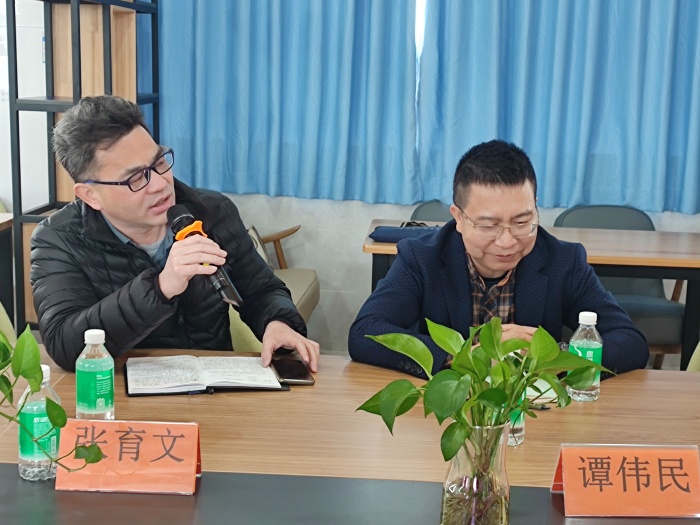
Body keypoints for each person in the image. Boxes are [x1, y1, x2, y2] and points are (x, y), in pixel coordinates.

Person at [30, 95, 319, 372]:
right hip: (118, 392)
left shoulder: (212, 211)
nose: (159, 184)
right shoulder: (57, 239)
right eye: (135, 178)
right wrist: (160, 287)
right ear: (90, 195)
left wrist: (277, 323)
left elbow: (261, 290)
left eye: (158, 163)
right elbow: (64, 344)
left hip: (215, 388)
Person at [349, 140, 648, 377]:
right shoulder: (422, 257)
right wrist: (466, 356)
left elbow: (630, 341)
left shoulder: (563, 260)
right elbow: (365, 333)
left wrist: (549, 354)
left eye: (522, 222)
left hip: (535, 414)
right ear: (458, 218)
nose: (507, 242)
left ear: (535, 208)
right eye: (489, 225)